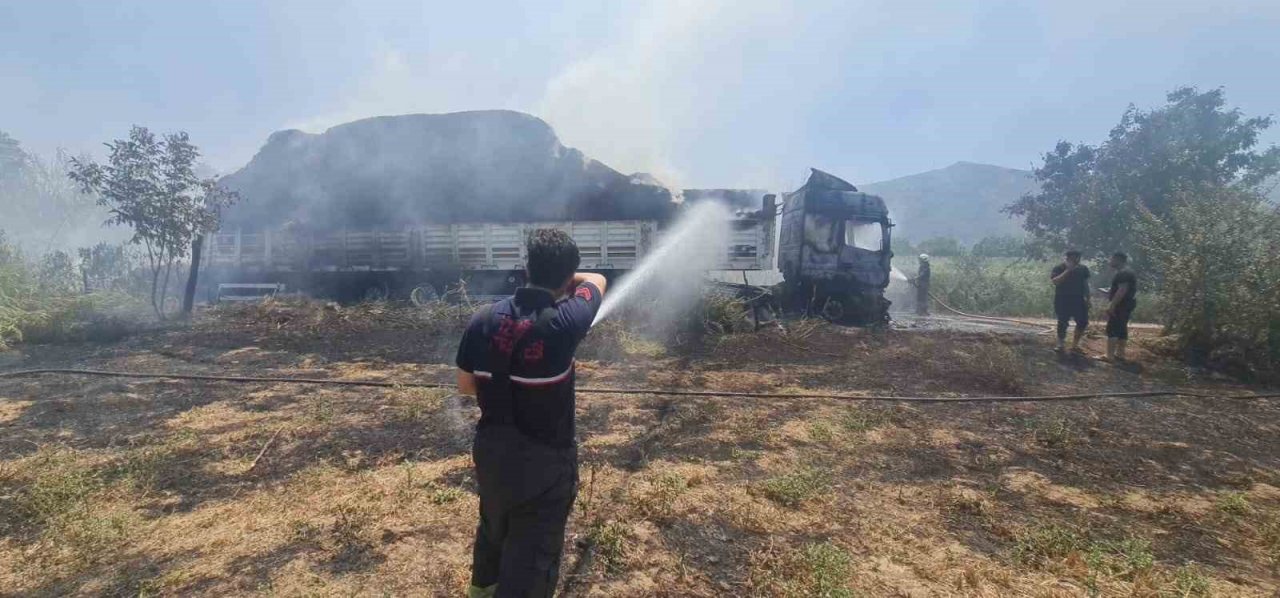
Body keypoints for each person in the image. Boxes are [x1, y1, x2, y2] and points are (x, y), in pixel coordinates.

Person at [455, 229, 608, 598]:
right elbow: (598, 280)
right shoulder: (566, 321)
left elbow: (465, 386)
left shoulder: (483, 319)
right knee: (533, 556)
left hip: (491, 452)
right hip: (545, 463)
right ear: (569, 276)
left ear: (526, 269)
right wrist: (573, 279)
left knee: (494, 530)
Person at [1050, 249, 1090, 352]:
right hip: (1063, 299)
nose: (1076, 261)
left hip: (1078, 299)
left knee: (1083, 322)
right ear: (1067, 258)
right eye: (1073, 258)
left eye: (1077, 258)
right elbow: (1056, 282)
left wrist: (1088, 298)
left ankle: (1075, 345)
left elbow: (1085, 284)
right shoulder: (1059, 268)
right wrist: (1068, 270)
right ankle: (1060, 344)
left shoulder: (1083, 269)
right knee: (1062, 321)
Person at [1103, 251, 1137, 361]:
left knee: (1112, 329)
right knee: (1122, 329)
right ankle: (1120, 355)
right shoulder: (1128, 272)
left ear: (1118, 259)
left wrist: (1111, 305)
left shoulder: (1123, 273)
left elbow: (1122, 290)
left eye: (1111, 259)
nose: (1110, 261)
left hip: (1120, 306)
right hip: (1127, 305)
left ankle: (1109, 356)